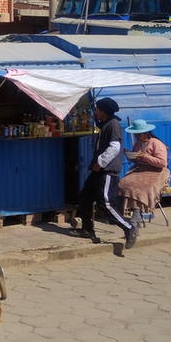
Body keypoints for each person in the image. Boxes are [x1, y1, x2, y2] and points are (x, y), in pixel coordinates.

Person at [74, 98, 137, 250]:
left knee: (105, 203)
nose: (95, 111)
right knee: (85, 197)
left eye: (97, 109)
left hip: (106, 171)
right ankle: (87, 228)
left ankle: (129, 228)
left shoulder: (113, 125)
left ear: (103, 111)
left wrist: (100, 162)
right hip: (98, 171)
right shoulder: (105, 124)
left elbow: (114, 147)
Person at [118, 120, 170, 217]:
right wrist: (129, 155)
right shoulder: (137, 144)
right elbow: (134, 160)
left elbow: (162, 163)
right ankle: (121, 210)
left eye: (139, 135)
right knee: (123, 183)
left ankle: (137, 212)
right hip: (140, 170)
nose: (137, 137)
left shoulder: (156, 144)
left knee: (141, 186)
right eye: (135, 135)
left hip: (156, 171)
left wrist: (145, 157)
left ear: (146, 134)